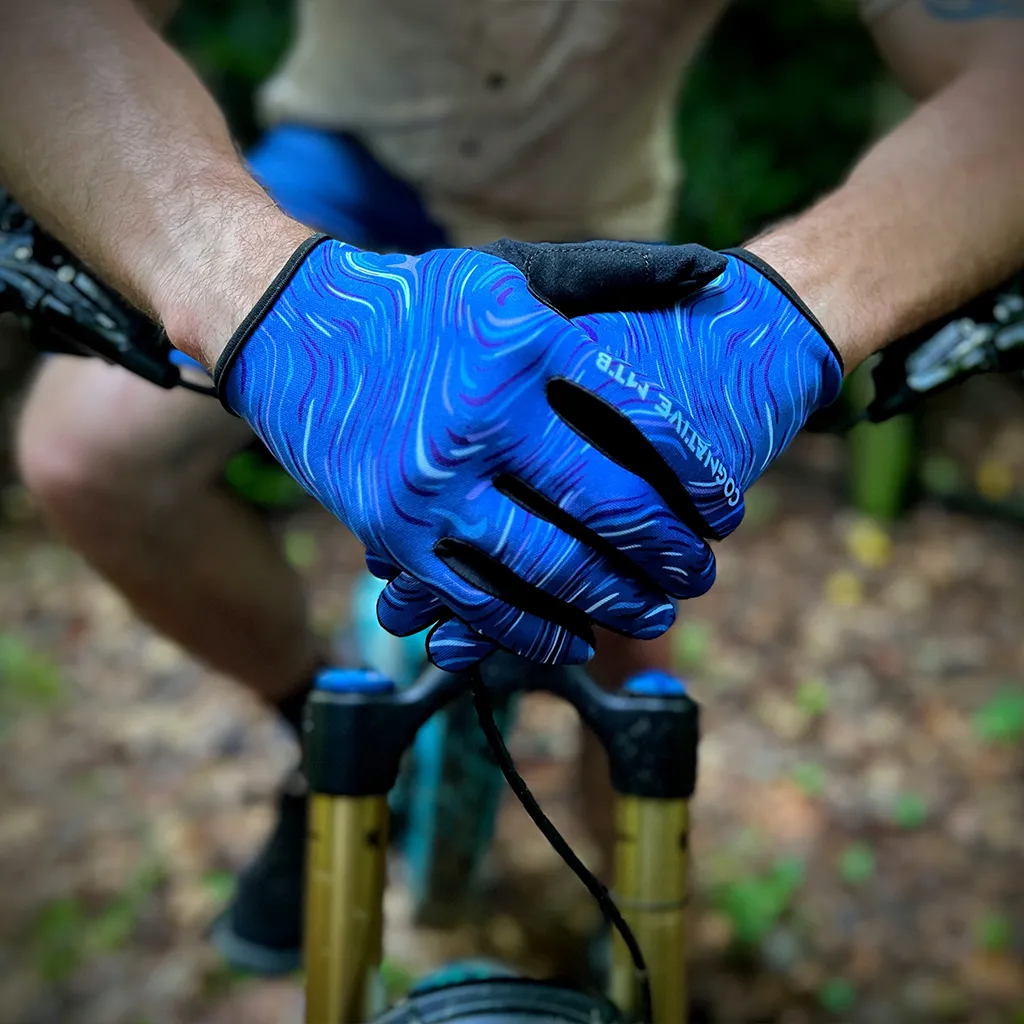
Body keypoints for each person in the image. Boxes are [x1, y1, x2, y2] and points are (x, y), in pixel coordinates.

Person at [3, 0, 1023, 975]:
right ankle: (315, 727)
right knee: (85, 456)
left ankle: (629, 913)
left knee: (624, 617)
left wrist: (797, 308)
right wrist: (253, 291)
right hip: (337, 189)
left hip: (603, 244)